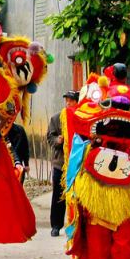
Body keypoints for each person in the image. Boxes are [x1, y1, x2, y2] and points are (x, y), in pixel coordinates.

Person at [46, 91, 78, 237]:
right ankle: (56, 225)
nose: (68, 103)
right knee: (58, 195)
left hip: (77, 163)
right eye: (67, 100)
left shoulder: (81, 117)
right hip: (60, 162)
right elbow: (50, 136)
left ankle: (76, 225)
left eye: (71, 101)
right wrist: (57, 141)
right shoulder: (57, 118)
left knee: (77, 196)